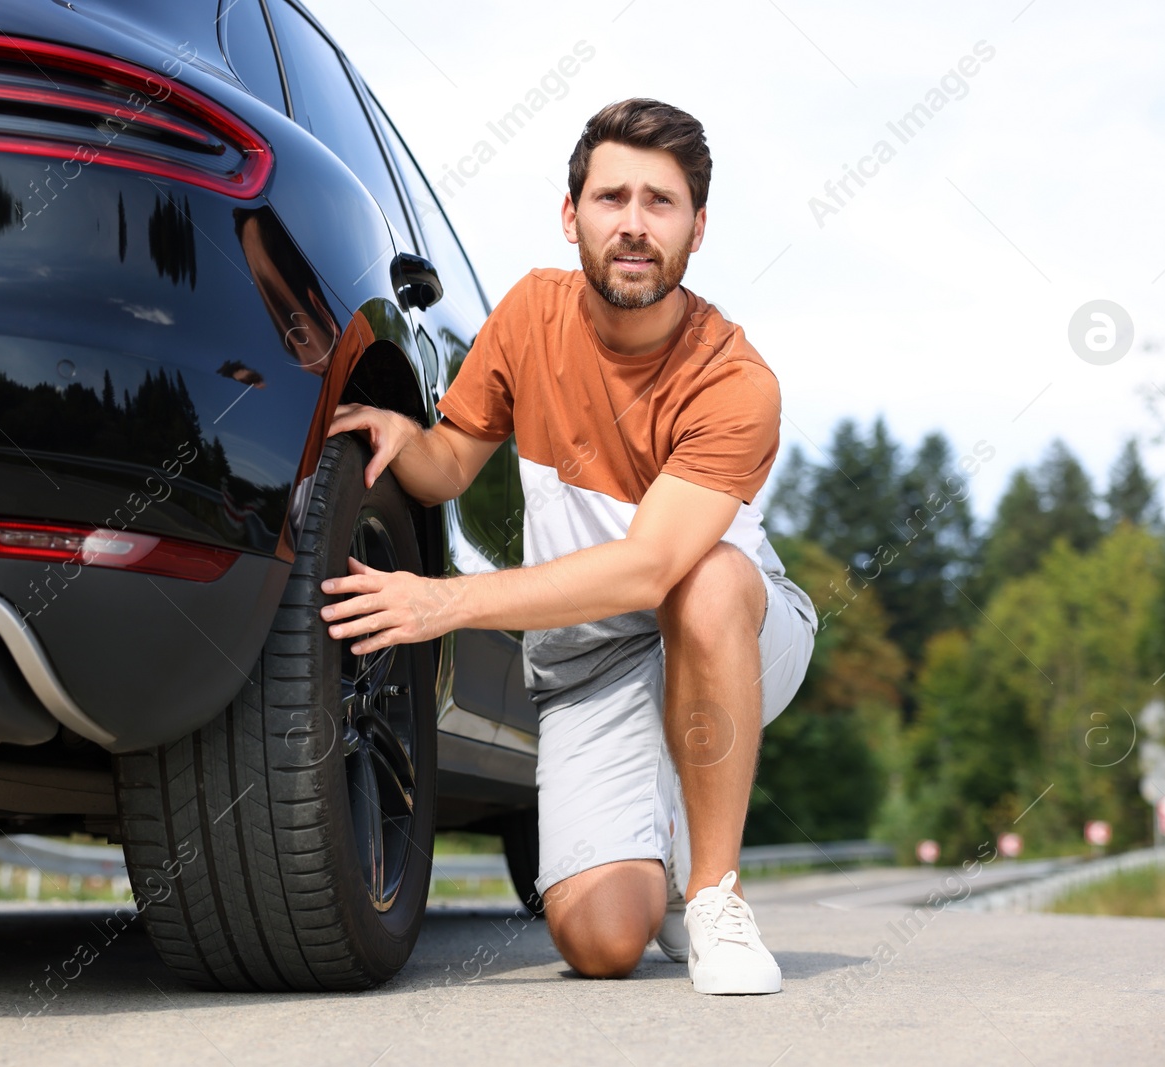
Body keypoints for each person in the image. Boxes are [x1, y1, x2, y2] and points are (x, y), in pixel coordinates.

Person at [320, 98, 817, 996]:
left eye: (661, 203)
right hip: (589, 660)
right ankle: (656, 854)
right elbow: (449, 467)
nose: (633, 224)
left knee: (701, 582)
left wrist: (444, 601)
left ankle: (715, 894)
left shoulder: (735, 382)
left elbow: (650, 569)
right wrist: (404, 434)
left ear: (698, 229)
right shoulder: (529, 316)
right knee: (600, 941)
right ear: (571, 212)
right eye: (611, 197)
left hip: (725, 626)